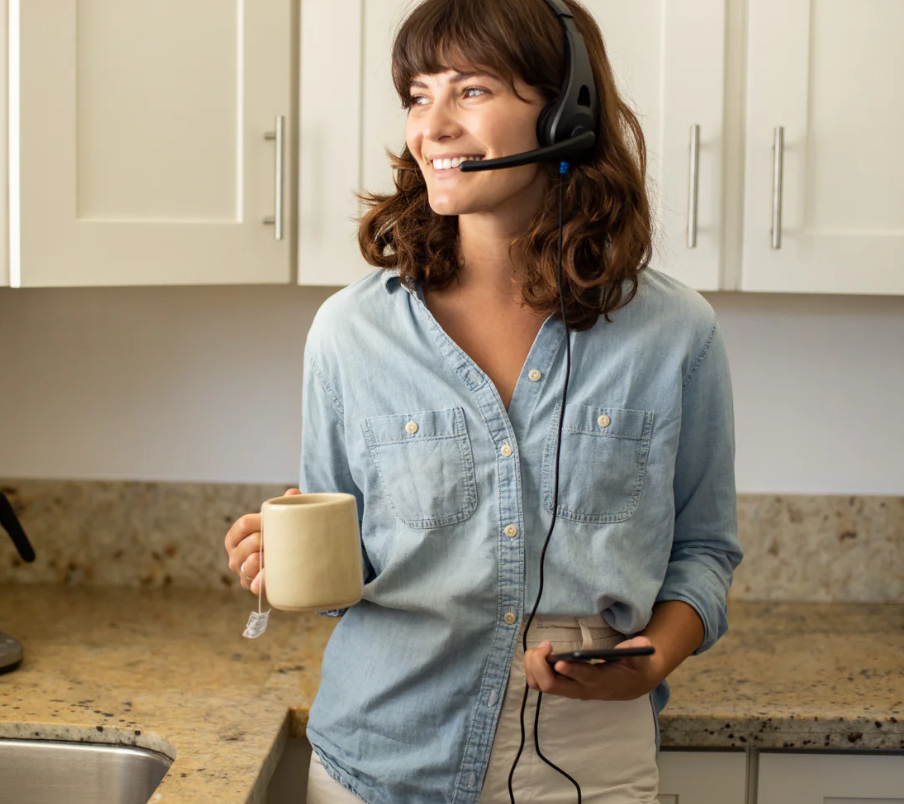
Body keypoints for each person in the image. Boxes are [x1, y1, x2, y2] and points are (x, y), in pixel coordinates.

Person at [223, 0, 742, 801]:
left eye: (469, 91)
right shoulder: (348, 332)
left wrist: (654, 659)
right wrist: (287, 561)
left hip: (586, 773)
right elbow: (349, 568)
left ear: (566, 111)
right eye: (416, 95)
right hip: (380, 768)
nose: (430, 127)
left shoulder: (674, 333)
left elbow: (703, 552)